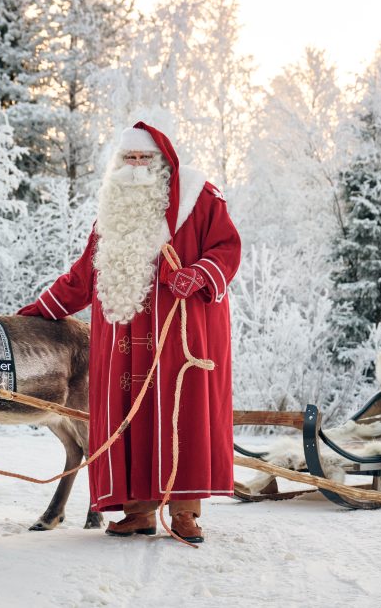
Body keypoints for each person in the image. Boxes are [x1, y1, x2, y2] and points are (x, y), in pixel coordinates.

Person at [17, 121, 241, 543]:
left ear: (164, 165)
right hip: (124, 343)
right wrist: (36, 313)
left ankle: (185, 514)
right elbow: (84, 276)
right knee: (128, 420)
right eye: (129, 158)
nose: (136, 167)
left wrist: (198, 274)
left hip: (180, 334)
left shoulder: (200, 199)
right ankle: (138, 512)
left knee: (181, 417)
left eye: (145, 159)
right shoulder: (111, 213)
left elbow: (228, 248)